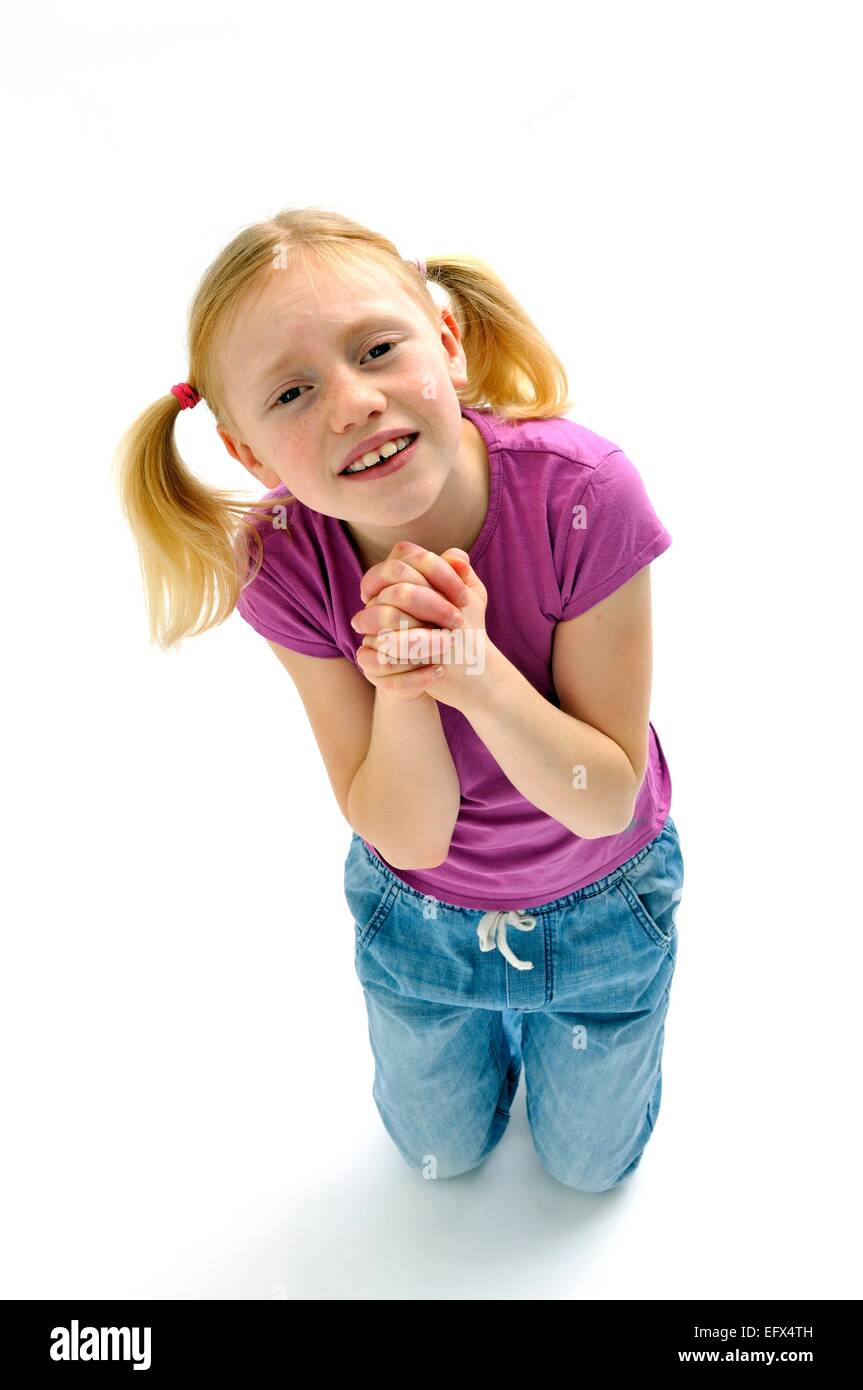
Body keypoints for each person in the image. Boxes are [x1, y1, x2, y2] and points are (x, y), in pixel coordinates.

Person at [113, 206, 685, 1192]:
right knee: (440, 1155)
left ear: (447, 342)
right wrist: (404, 683)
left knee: (590, 1171)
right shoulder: (284, 567)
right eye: (291, 393)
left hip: (598, 900)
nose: (351, 403)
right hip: (420, 913)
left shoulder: (583, 494)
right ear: (251, 456)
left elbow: (601, 795)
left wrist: (478, 673)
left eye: (377, 348)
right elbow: (406, 835)